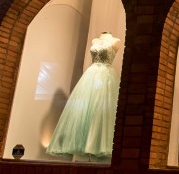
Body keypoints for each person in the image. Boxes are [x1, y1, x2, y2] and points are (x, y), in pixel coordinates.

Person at [46, 32, 122, 160]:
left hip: (105, 76)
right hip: (91, 76)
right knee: (86, 109)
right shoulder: (94, 40)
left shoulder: (116, 41)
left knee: (100, 110)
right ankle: (83, 145)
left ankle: (97, 145)